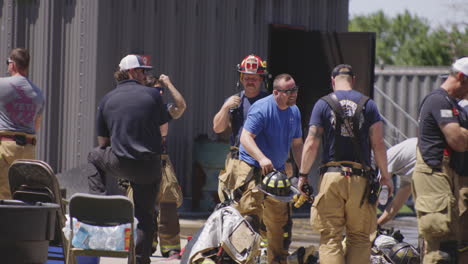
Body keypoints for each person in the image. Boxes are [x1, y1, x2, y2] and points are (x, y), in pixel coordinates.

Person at [299, 64, 393, 264]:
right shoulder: (369, 105)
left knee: (330, 237)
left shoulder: (323, 104)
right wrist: (385, 176)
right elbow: (378, 143)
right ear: (354, 80)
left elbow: (311, 143)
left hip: (331, 176)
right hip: (360, 178)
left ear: (333, 81)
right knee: (359, 238)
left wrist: (303, 175)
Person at [87, 54, 171, 264]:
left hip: (120, 163)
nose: (146, 75)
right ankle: (140, 260)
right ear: (132, 72)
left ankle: (99, 202)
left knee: (94, 155)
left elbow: (103, 142)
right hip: (149, 167)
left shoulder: (107, 99)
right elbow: (163, 130)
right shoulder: (153, 96)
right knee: (145, 215)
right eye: (143, 71)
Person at [238, 73, 303, 264]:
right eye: (288, 91)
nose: (293, 94)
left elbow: (298, 144)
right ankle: (244, 259)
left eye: (295, 90)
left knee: (279, 222)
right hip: (253, 167)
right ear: (276, 93)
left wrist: (303, 173)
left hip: (278, 172)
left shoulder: (294, 111)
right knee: (250, 217)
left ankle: (276, 260)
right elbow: (245, 137)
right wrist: (262, 158)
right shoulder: (261, 109)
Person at [412, 57, 468, 264]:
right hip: (433, 173)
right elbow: (458, 140)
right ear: (461, 77)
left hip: (446, 176)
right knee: (439, 246)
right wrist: (461, 133)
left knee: (451, 244)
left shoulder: (453, 105)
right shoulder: (438, 100)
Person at [213, 54, 269, 203]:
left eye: (254, 78)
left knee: (258, 206)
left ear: (261, 80)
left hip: (262, 161)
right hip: (237, 162)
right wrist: (225, 107)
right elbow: (218, 128)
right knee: (233, 205)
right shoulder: (234, 101)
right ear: (241, 79)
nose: (250, 81)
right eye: (246, 78)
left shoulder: (269, 102)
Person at [146, 74, 186, 259]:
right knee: (143, 205)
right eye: (156, 90)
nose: (159, 93)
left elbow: (181, 106)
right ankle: (146, 243)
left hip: (161, 160)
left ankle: (170, 247)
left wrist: (169, 83)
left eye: (161, 90)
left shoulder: (164, 109)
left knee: (169, 203)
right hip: (142, 160)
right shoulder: (138, 109)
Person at [0, 48, 44, 199]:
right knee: (21, 193)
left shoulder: (2, 85)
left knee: (3, 194)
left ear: (12, 64)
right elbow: (36, 126)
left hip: (6, 146)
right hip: (28, 150)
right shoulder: (38, 93)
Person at [377, 137, 417, 226]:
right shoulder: (408, 176)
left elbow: (373, 202)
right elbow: (394, 209)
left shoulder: (387, 158)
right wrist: (376, 226)